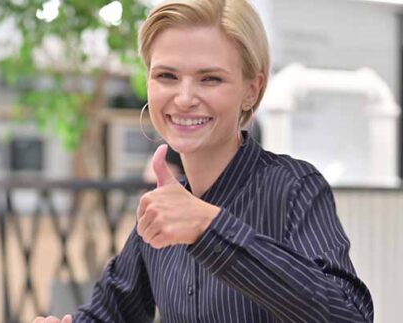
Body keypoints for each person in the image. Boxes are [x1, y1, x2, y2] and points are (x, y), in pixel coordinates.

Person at [33, 0, 373, 322]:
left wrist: (209, 227)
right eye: (166, 76)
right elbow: (110, 313)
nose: (184, 99)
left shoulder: (294, 188)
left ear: (251, 90)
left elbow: (349, 316)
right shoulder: (163, 208)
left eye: (210, 78)